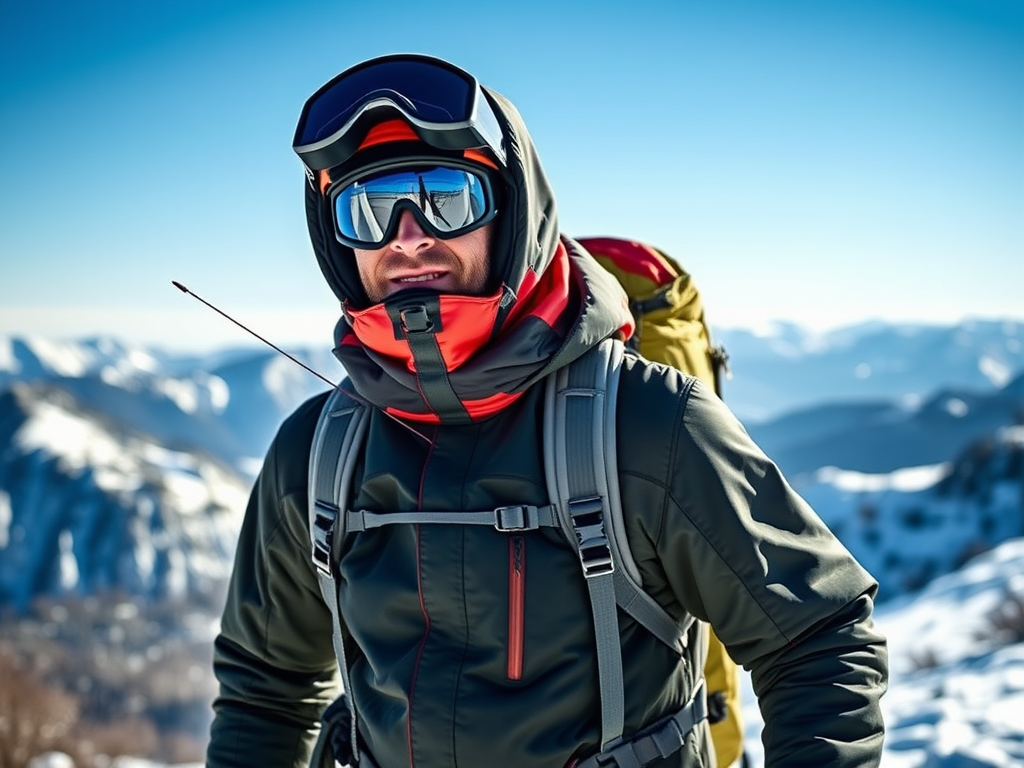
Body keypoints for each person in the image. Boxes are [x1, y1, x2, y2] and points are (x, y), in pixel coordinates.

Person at [206, 53, 888, 768]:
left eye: (446, 195)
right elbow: (266, 685)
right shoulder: (314, 454)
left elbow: (818, 639)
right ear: (335, 240)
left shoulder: (647, 426)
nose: (406, 236)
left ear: (514, 211)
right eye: (367, 209)